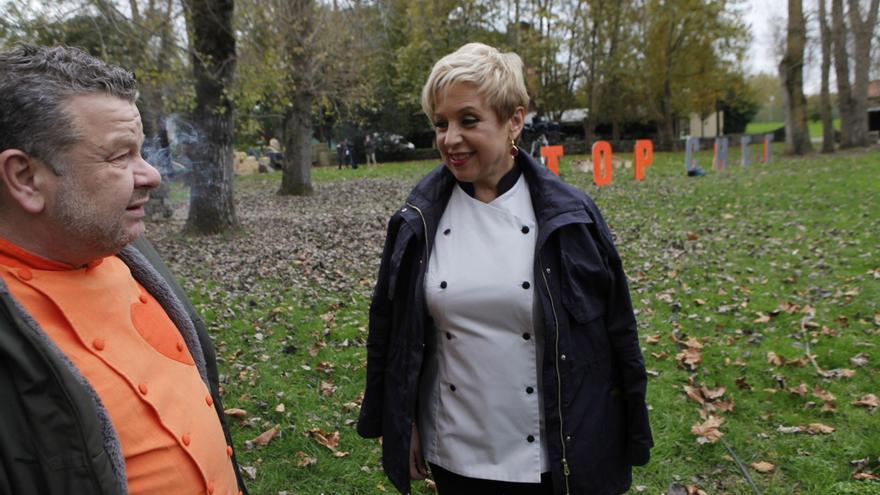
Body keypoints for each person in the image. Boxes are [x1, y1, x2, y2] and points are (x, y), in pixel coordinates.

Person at [357, 42, 653, 495]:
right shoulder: (417, 219)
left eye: (468, 120)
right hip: (455, 450)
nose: (450, 138)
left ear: (515, 119)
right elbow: (391, 333)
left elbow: (617, 336)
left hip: (550, 455)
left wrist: (627, 434)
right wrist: (405, 422)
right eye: (441, 123)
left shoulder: (570, 217)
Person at [0, 44, 248, 495]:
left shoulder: (129, 250)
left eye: (141, 151)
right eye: (119, 156)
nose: (151, 175)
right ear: (24, 177)